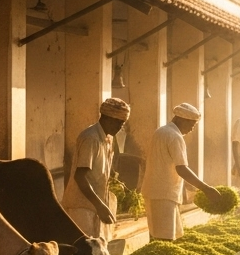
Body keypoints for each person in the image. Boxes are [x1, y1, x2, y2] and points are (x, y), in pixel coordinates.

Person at [142, 103, 219, 241]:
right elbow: (181, 168)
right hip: (164, 194)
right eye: (191, 125)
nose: (191, 129)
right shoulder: (175, 136)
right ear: (181, 119)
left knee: (158, 234)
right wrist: (206, 188)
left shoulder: (161, 131)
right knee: (164, 238)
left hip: (155, 191)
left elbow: (167, 164)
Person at [62, 97, 131, 240]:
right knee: (84, 246)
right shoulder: (91, 138)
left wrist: (112, 177)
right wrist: (100, 206)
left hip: (94, 204)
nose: (120, 127)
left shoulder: (108, 138)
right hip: (81, 207)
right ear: (107, 118)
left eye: (123, 123)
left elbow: (100, 167)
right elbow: (80, 176)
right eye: (118, 122)